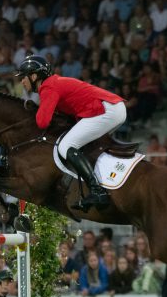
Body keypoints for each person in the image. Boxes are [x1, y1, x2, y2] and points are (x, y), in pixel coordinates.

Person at [15, 55, 126, 211]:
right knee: (81, 146)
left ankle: (98, 191)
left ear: (34, 76)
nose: (22, 81)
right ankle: (103, 184)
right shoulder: (53, 83)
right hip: (112, 108)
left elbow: (42, 122)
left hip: (107, 110)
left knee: (66, 146)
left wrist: (34, 108)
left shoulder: (48, 87)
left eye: (23, 77)